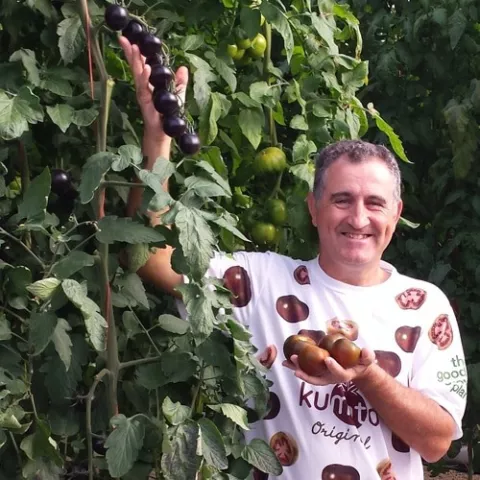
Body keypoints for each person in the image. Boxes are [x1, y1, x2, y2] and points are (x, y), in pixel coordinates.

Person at [119, 36, 467, 480]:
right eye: (341, 200)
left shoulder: (425, 306)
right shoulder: (261, 283)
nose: (358, 217)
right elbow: (154, 256)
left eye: (375, 204)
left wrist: (367, 377)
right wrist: (158, 135)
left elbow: (437, 442)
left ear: (395, 216)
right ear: (313, 208)